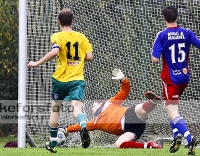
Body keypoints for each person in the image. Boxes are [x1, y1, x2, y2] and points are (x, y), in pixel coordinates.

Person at [28, 8, 93, 153]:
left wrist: (37, 62)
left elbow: (56, 51)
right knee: (77, 109)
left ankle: (52, 143)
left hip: (60, 80)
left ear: (59, 22)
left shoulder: (57, 36)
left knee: (55, 109)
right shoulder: (81, 37)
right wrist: (77, 59)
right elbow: (89, 57)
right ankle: (83, 125)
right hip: (77, 79)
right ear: (72, 21)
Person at [60, 69, 162, 149]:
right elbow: (81, 126)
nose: (91, 109)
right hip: (131, 129)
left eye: (93, 105)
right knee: (118, 144)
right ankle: (150, 145)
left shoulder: (110, 102)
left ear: (100, 103)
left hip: (129, 115)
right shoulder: (95, 122)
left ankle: (153, 102)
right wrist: (66, 130)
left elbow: (124, 92)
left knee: (140, 109)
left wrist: (123, 80)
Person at [151, 6, 200, 155]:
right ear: (177, 17)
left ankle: (189, 137)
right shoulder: (187, 33)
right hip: (184, 77)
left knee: (172, 111)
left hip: (170, 79)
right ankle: (175, 136)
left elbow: (154, 59)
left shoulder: (162, 35)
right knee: (169, 108)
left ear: (164, 18)